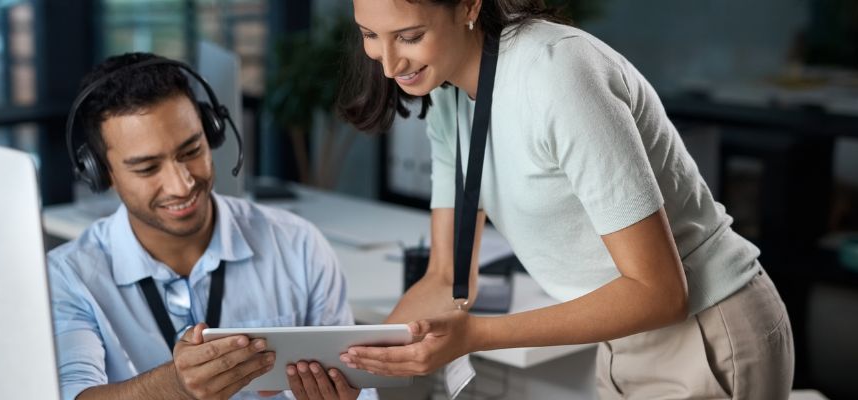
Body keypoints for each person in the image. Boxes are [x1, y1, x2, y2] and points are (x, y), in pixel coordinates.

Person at [335, 1, 794, 399]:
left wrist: (474, 335)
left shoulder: (556, 73)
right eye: (370, 35)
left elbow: (661, 293)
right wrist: (354, 368)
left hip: (705, 330)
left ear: (470, 7)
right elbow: (445, 279)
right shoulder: (450, 101)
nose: (389, 64)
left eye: (410, 36)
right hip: (621, 339)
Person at [48, 52, 374, 400]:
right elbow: (72, 394)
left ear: (212, 133)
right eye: (147, 169)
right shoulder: (69, 276)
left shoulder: (298, 245)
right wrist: (174, 385)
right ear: (100, 173)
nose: (181, 184)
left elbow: (361, 390)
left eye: (191, 151)